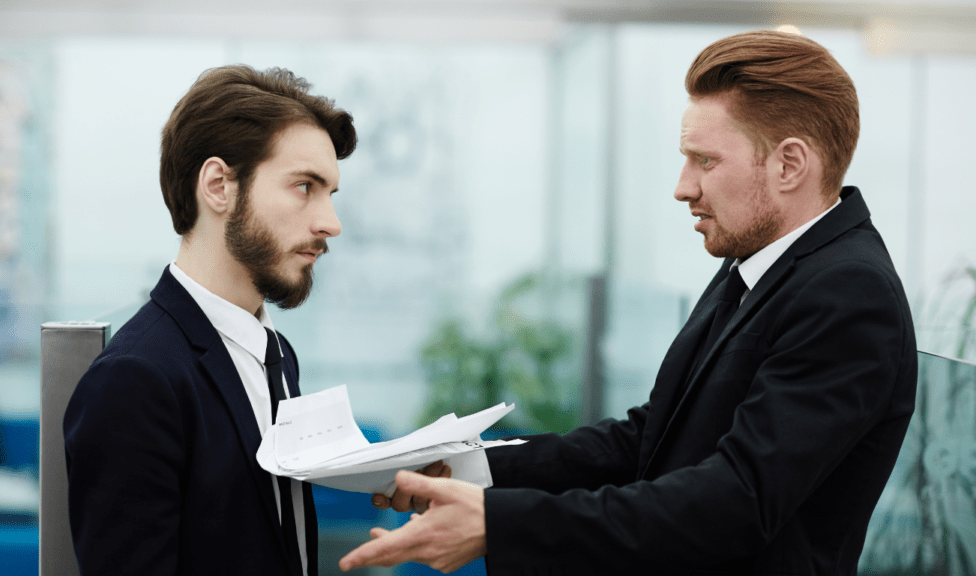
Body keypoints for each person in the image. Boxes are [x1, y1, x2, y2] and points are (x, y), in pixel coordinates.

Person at [339, 30, 918, 575]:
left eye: (705, 161)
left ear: (790, 164)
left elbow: (737, 501)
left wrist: (498, 522)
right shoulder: (757, 263)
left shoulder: (848, 293)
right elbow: (652, 438)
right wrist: (473, 468)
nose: (682, 186)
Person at [64, 65, 356, 576]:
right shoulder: (135, 379)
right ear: (219, 185)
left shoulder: (276, 353)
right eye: (305, 187)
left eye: (331, 193)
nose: (330, 223)